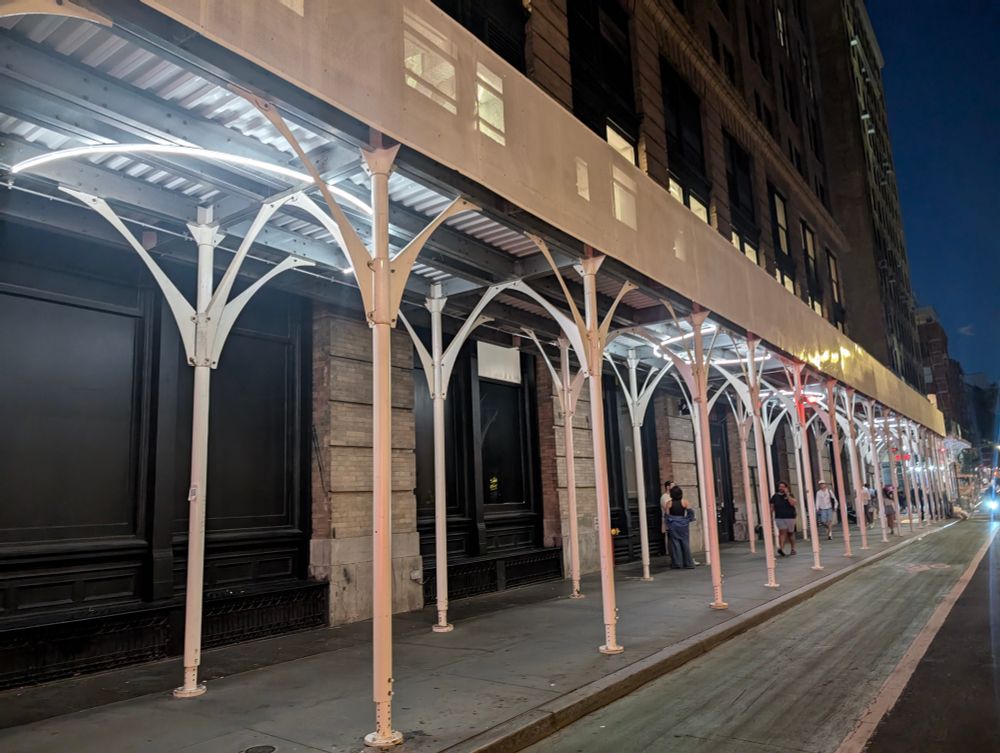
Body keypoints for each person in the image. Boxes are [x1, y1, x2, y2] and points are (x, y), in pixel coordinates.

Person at [665, 485, 696, 569]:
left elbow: (667, 516)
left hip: (673, 524)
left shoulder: (669, 503)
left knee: (675, 544)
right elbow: (691, 512)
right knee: (685, 543)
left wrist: (667, 525)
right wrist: (688, 520)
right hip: (683, 524)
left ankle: (677, 563)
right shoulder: (684, 502)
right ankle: (688, 563)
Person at [770, 481, 797, 556]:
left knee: (790, 533)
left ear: (786, 487)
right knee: (782, 532)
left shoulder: (790, 494)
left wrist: (787, 494)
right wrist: (770, 517)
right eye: (780, 486)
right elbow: (772, 507)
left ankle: (793, 548)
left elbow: (793, 503)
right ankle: (781, 548)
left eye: (783, 487)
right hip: (779, 517)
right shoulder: (775, 496)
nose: (781, 488)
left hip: (790, 517)